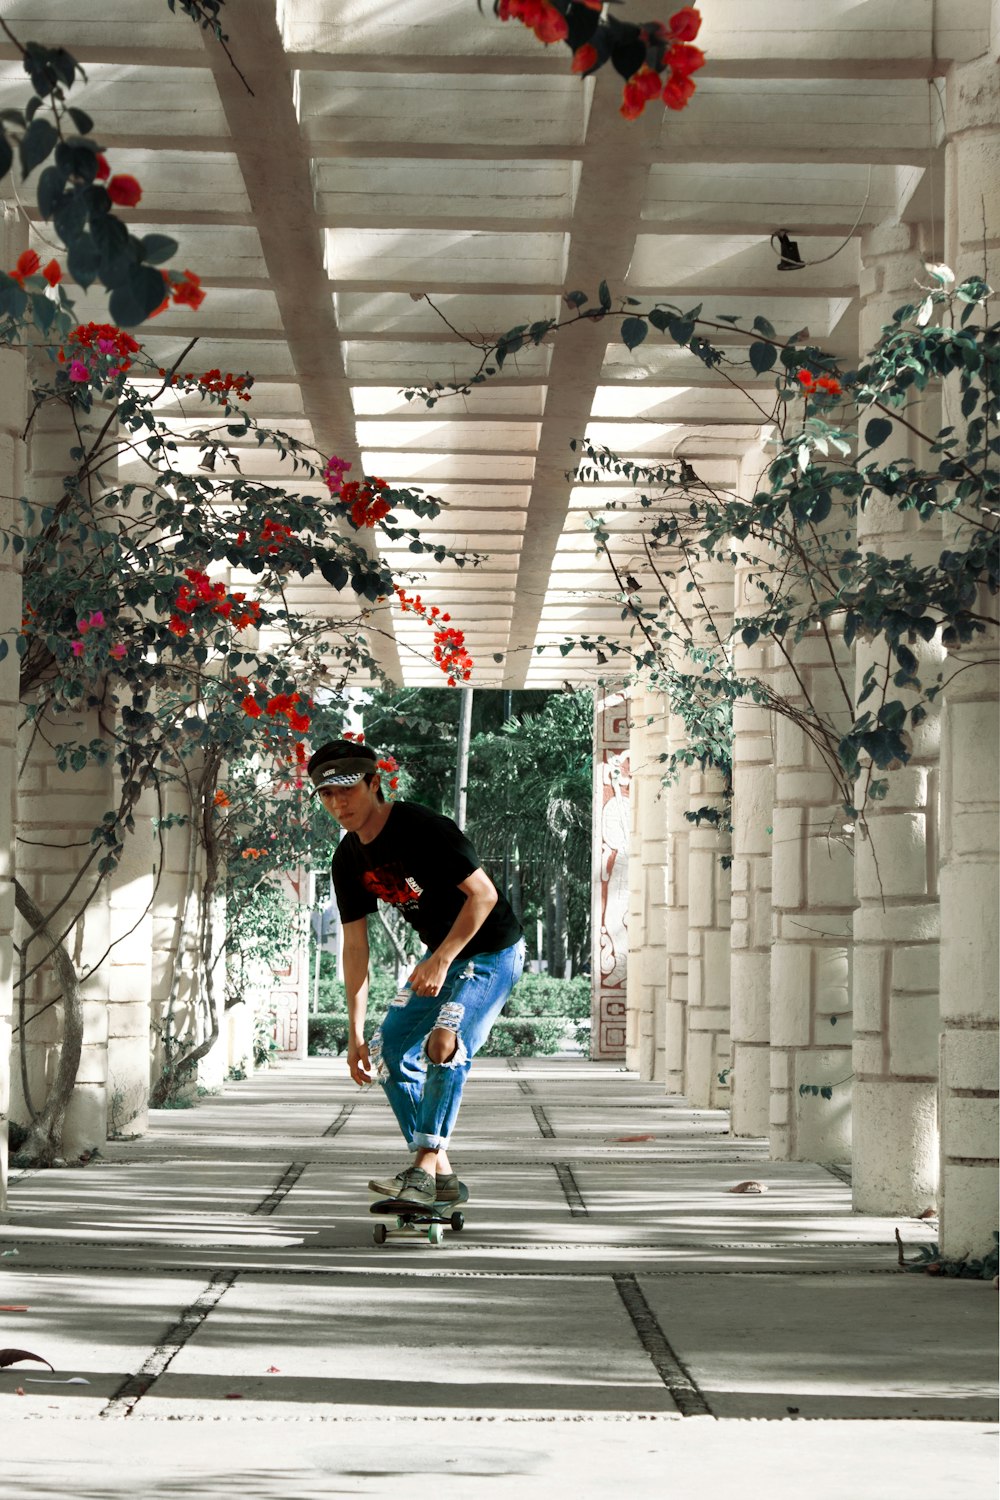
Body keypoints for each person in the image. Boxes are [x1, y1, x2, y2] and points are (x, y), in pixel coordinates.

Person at [309, 738, 525, 1207]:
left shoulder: (423, 827)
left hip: (490, 951)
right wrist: (354, 1031)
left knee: (446, 1040)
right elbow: (355, 946)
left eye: (346, 789)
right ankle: (439, 1176)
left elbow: (483, 897)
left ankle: (422, 1168)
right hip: (440, 958)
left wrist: (442, 958)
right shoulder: (348, 859)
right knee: (388, 1049)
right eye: (327, 795)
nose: (338, 803)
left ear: (373, 782)